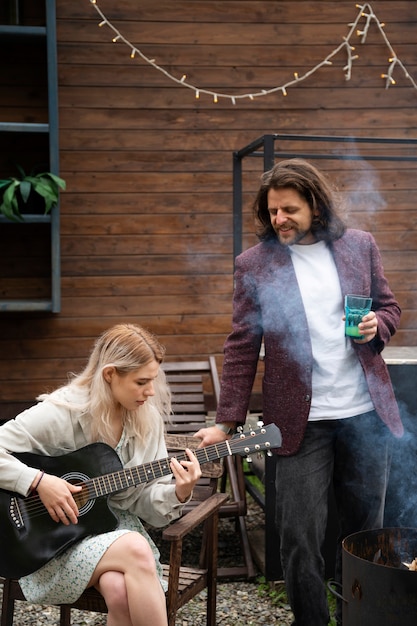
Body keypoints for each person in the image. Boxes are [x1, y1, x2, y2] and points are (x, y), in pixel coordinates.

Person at [195, 159, 404, 626]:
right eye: (272, 211)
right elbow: (242, 343)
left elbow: (388, 307)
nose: (279, 219)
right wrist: (225, 422)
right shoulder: (255, 264)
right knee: (298, 538)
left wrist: (378, 325)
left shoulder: (359, 246)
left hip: (365, 415)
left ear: (316, 204)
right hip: (297, 425)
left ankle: (363, 618)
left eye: (289, 209)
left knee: (367, 534)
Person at [0, 323, 201, 626]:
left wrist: (179, 492)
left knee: (119, 591)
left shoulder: (147, 420)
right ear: (110, 374)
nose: (150, 392)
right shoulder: (64, 410)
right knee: (135, 547)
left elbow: (143, 500)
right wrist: (39, 481)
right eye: (141, 382)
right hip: (50, 544)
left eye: (153, 381)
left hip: (110, 530)